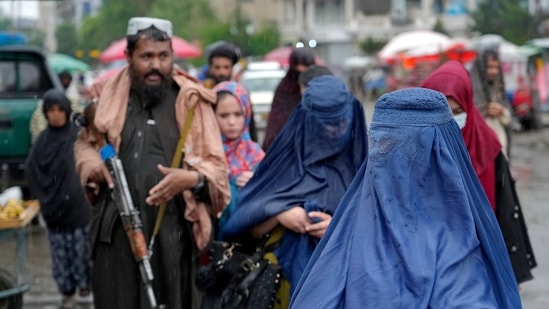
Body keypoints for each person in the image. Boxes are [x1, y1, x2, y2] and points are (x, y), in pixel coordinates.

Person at [290, 88, 522, 309]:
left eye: (411, 150)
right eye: (383, 146)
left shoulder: (464, 247)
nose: (391, 159)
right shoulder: (349, 231)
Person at [74, 17, 230, 309]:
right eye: (146, 57)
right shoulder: (107, 98)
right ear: (129, 56)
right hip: (116, 235)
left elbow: (217, 171)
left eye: (163, 56)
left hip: (175, 238)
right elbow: (85, 145)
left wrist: (192, 180)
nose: (156, 65)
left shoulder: (191, 101)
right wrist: (93, 166)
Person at [221, 75, 369, 308]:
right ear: (306, 119)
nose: (332, 131)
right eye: (323, 123)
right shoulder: (281, 163)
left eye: (339, 122)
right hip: (281, 287)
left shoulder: (363, 169)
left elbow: (378, 232)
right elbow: (244, 225)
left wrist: (337, 228)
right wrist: (280, 212)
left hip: (345, 286)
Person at [421, 60, 536, 284]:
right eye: (443, 111)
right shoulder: (414, 150)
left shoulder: (487, 146)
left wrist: (509, 270)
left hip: (480, 264)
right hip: (431, 267)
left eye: (458, 111)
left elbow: (504, 213)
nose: (451, 121)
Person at [25, 89, 92, 309]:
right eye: (50, 110)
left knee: (82, 252)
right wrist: (44, 199)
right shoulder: (42, 142)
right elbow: (32, 173)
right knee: (60, 256)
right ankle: (67, 293)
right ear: (45, 113)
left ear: (66, 110)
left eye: (59, 109)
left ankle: (85, 290)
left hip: (79, 208)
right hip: (53, 211)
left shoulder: (78, 136)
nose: (55, 115)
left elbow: (89, 166)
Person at [212, 81, 265, 233]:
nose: (232, 122)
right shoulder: (203, 153)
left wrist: (257, 182)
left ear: (247, 114)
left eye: (238, 114)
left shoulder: (254, 153)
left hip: (248, 240)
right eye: (224, 115)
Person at [262, 47, 316, 150]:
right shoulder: (285, 89)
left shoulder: (319, 88)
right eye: (298, 72)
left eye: (305, 72)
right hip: (287, 147)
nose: (301, 78)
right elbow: (276, 123)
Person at [470, 49, 513, 158]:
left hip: (500, 150)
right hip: (480, 152)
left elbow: (509, 118)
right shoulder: (471, 90)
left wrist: (502, 111)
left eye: (496, 67)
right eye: (489, 67)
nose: (494, 71)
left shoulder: (497, 88)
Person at [30, 70, 82, 144]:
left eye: (61, 110)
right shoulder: (42, 138)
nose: (56, 114)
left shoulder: (72, 101)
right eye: (52, 110)